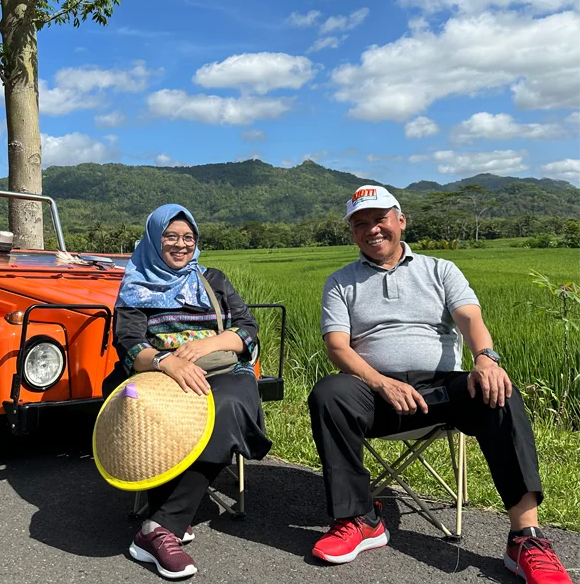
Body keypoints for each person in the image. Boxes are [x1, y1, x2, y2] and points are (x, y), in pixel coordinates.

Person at [307, 185, 572, 584]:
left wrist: (485, 358)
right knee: (329, 392)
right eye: (360, 224)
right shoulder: (340, 282)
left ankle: (526, 538)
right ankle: (359, 519)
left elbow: (469, 318)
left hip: (441, 390)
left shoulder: (440, 269)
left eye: (379, 219)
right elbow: (337, 347)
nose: (372, 230)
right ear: (352, 233)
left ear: (400, 220)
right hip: (376, 394)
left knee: (498, 392)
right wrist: (380, 383)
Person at [112, 203, 271, 580]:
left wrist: (209, 345)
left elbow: (248, 327)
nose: (181, 245)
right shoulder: (137, 284)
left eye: (188, 237)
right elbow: (129, 342)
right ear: (154, 239)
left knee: (228, 405)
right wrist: (168, 362)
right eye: (171, 236)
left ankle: (160, 526)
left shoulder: (212, 278)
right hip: (163, 375)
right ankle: (166, 524)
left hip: (224, 370)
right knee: (158, 412)